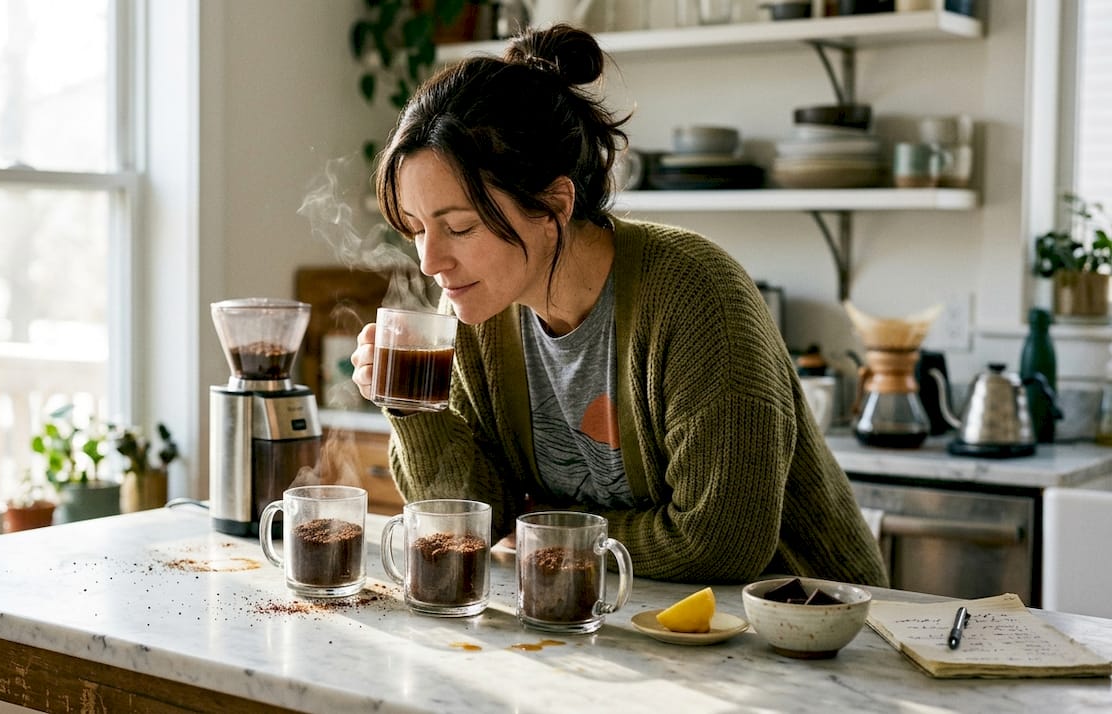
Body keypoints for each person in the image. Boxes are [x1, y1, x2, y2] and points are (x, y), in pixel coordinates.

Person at [350, 24, 887, 587]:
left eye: (459, 227)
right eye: (415, 229)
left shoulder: (695, 294)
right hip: (616, 620)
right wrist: (411, 406)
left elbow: (718, 545)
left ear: (555, 204)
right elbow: (471, 521)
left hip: (803, 633)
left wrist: (539, 532)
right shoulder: (476, 310)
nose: (431, 261)